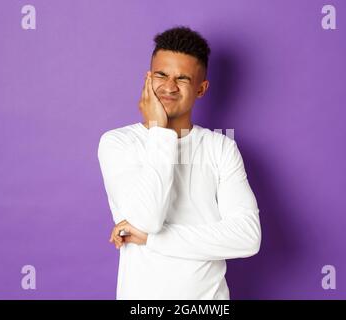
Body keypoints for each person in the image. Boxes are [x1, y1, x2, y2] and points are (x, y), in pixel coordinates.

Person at [97, 26, 261, 300]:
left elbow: (247, 238)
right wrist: (160, 132)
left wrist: (151, 239)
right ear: (148, 79)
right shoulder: (118, 143)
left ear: (201, 89)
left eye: (182, 78)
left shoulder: (221, 147)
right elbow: (147, 218)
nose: (169, 86)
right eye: (161, 74)